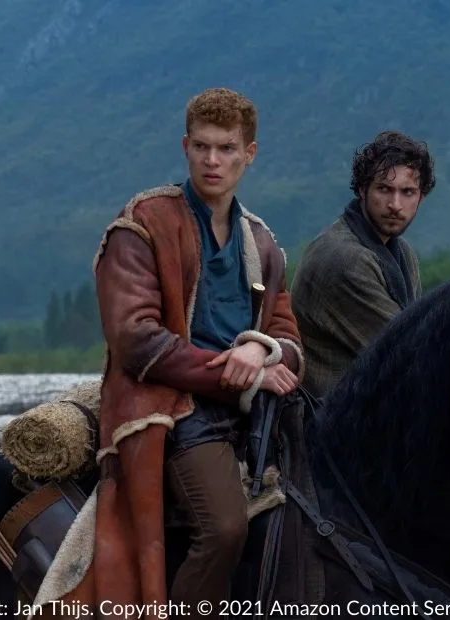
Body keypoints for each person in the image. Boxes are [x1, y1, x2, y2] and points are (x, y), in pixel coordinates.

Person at [45, 87, 305, 616]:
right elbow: (135, 339)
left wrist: (263, 352)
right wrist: (240, 373)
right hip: (168, 405)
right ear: (185, 146)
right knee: (225, 526)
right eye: (203, 148)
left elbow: (290, 339)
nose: (214, 161)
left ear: (249, 154)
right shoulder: (144, 221)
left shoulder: (262, 243)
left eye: (227, 149)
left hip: (249, 404)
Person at [290, 129, 435, 398]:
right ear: (361, 190)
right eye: (384, 189)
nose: (395, 204)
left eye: (407, 192)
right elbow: (409, 351)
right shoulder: (345, 258)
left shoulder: (402, 253)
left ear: (421, 198)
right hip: (328, 421)